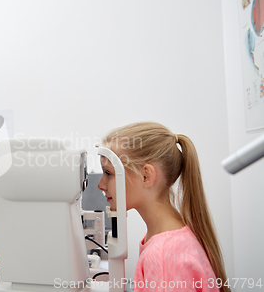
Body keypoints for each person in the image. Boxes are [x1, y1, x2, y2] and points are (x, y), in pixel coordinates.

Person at [98, 122, 230, 292]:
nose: (100, 185)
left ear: (146, 176)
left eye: (108, 173)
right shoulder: (162, 236)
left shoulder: (163, 257)